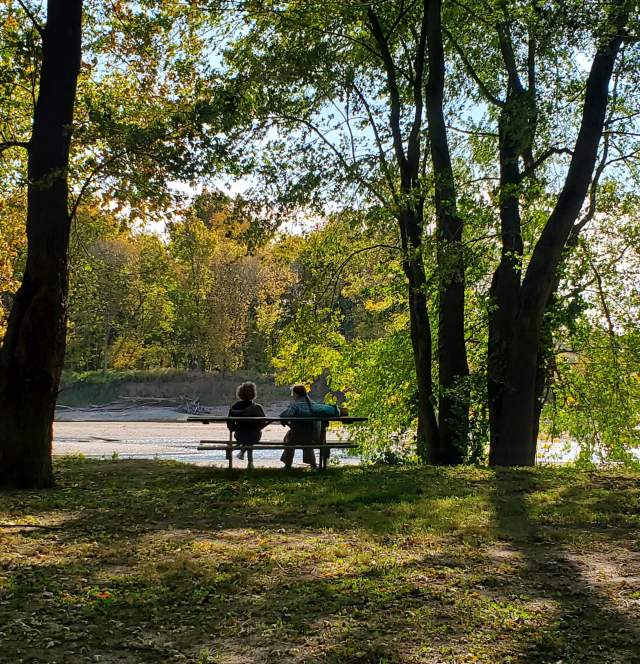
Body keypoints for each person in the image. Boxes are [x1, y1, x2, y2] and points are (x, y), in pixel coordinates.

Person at [280, 384, 339, 470]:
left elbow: (285, 415)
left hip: (298, 437)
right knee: (307, 438)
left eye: (293, 393)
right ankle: (313, 464)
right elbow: (333, 411)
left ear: (296, 394)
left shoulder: (295, 406)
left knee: (288, 438)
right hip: (315, 437)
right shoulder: (314, 405)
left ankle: (287, 464)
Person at [227, 382, 267, 470]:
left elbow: (230, 424)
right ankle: (250, 462)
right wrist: (257, 428)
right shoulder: (257, 407)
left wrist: (234, 429)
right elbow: (263, 422)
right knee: (251, 436)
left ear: (240, 393)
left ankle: (242, 452)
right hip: (254, 435)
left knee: (247, 437)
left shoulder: (234, 407)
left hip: (239, 435)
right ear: (253, 393)